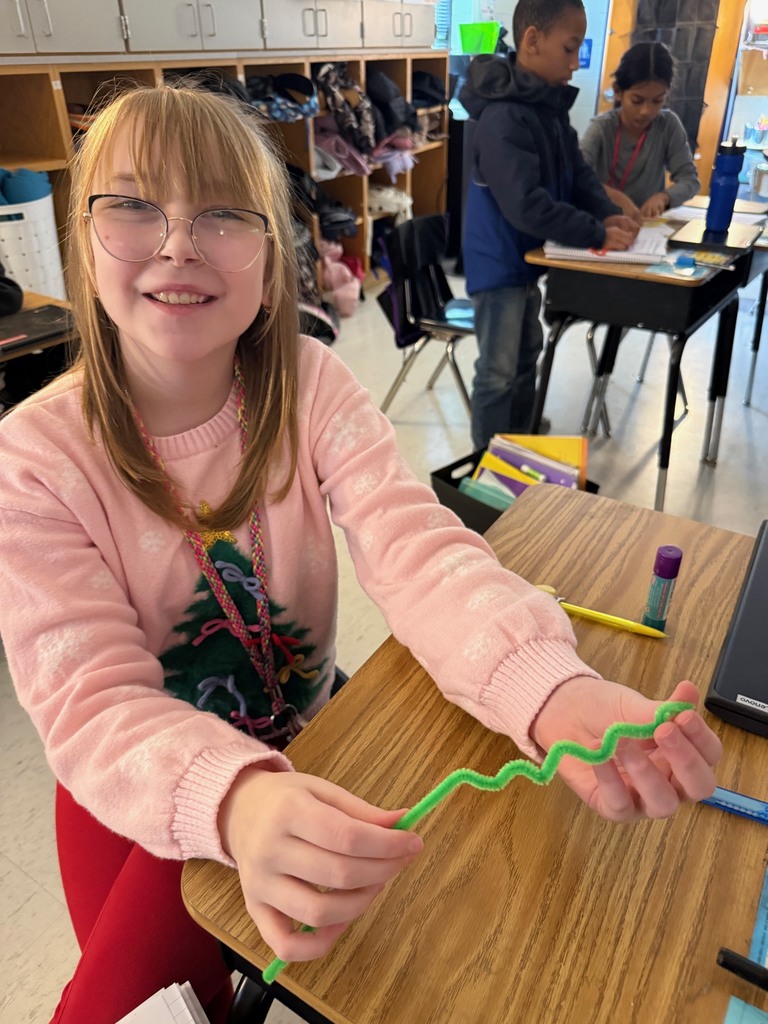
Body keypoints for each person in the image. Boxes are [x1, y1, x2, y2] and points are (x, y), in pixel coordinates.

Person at [0, 83, 721, 1024]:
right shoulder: (35, 458)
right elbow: (94, 700)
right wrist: (237, 805)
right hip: (134, 790)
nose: (177, 242)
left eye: (223, 212)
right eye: (134, 204)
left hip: (309, 739)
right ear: (84, 236)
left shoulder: (310, 384)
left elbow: (418, 551)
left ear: (273, 255)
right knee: (135, 1005)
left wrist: (553, 691)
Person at [460, 0, 639, 452]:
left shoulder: (545, 105)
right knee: (498, 372)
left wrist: (604, 211)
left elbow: (575, 171)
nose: (575, 63)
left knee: (526, 356)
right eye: (570, 48)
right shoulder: (503, 115)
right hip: (498, 263)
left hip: (527, 260)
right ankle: (491, 464)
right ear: (532, 40)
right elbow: (527, 206)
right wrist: (597, 234)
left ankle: (517, 444)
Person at [580, 41, 700, 222]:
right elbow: (577, 176)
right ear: (618, 92)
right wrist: (615, 197)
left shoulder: (668, 125)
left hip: (645, 227)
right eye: (637, 100)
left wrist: (664, 197)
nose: (646, 111)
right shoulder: (601, 128)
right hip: (604, 221)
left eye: (657, 101)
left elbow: (690, 180)